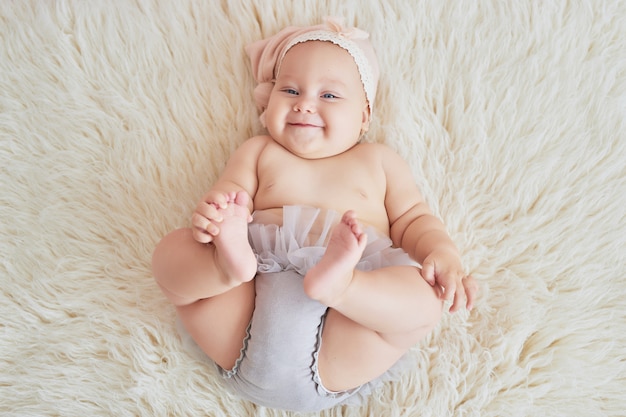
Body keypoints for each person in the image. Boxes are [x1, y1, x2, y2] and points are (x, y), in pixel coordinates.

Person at [152, 17, 478, 412]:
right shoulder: (259, 151)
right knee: (172, 254)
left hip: (341, 340)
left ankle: (343, 286)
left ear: (364, 116)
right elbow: (230, 196)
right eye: (289, 89)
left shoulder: (378, 161)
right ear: (267, 102)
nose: (304, 103)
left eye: (330, 96)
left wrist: (442, 253)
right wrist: (218, 218)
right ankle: (226, 266)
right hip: (244, 309)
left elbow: (412, 219)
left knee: (424, 303)